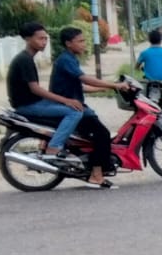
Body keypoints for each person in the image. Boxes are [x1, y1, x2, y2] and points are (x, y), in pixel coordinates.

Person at [50, 26, 133, 189]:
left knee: (97, 132)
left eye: (84, 41)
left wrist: (107, 88)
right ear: (68, 43)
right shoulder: (66, 60)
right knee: (102, 134)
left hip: (74, 105)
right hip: (70, 108)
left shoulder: (70, 58)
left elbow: (80, 86)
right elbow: (86, 80)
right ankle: (96, 175)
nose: (84, 44)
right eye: (80, 41)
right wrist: (114, 84)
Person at [4, 21, 84, 155]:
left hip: (33, 102)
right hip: (27, 105)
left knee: (68, 106)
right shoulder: (24, 60)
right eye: (40, 38)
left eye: (46, 38)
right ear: (28, 39)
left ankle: (47, 141)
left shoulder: (27, 58)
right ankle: (54, 146)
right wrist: (66, 101)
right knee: (74, 112)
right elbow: (35, 89)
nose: (44, 42)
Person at [137, 28, 162, 109]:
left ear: (149, 40)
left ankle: (148, 106)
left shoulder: (144, 53)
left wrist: (141, 68)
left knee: (146, 92)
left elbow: (137, 66)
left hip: (151, 81)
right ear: (161, 40)